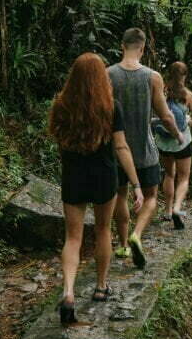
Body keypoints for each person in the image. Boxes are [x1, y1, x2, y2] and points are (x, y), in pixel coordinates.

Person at [49, 53, 144, 324]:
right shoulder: (111, 107)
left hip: (73, 177)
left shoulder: (61, 105)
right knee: (103, 230)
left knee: (73, 238)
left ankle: (68, 292)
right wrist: (136, 184)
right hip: (104, 176)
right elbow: (121, 147)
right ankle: (101, 287)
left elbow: (58, 138)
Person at [107, 28, 181, 269]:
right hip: (145, 149)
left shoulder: (108, 75)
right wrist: (178, 134)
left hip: (116, 150)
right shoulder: (153, 77)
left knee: (120, 194)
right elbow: (165, 114)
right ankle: (137, 234)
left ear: (122, 46)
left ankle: (123, 245)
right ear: (142, 48)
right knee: (151, 196)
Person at [155, 61, 192, 229]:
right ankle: (177, 208)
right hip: (182, 142)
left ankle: (167, 211)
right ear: (184, 76)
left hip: (163, 141)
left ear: (169, 74)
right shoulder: (188, 95)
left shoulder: (162, 91)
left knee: (169, 175)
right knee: (183, 178)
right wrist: (190, 122)